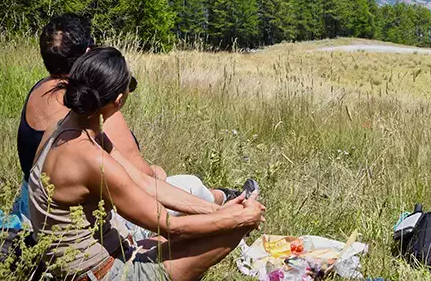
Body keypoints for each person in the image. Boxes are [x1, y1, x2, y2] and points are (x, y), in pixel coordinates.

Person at [28, 47, 265, 281]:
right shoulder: (91, 159)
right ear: (119, 100)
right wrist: (239, 219)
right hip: (100, 274)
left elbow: (142, 181)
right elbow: (168, 224)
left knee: (199, 230)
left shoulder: (64, 127)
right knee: (227, 230)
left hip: (90, 259)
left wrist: (217, 210)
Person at [14, 14, 229, 222]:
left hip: (31, 207)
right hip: (78, 217)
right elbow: (140, 178)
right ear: (89, 53)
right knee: (190, 184)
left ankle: (220, 200)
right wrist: (157, 172)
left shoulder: (40, 90)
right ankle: (223, 200)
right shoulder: (90, 109)